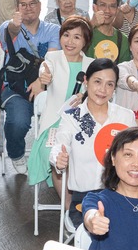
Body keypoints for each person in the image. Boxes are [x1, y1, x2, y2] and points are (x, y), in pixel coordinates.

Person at [50, 57, 126, 229]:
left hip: (121, 195)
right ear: (86, 81)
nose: (103, 89)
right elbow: (59, 146)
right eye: (97, 81)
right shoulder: (71, 117)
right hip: (84, 199)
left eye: (109, 84)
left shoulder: (125, 117)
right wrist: (58, 159)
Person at [25, 16, 91, 185]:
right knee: (56, 156)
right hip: (54, 125)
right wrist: (43, 77)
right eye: (66, 35)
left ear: (85, 41)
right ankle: (68, 210)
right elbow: (46, 69)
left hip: (82, 125)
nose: (70, 41)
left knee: (87, 157)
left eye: (77, 37)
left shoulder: (92, 65)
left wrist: (87, 96)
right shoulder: (52, 58)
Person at [0, 0, 58, 168]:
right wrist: (15, 25)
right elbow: (11, 31)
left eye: (32, 3)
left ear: (40, 5)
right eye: (23, 5)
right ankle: (16, 154)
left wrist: (40, 81)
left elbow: (53, 59)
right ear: (17, 8)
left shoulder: (54, 30)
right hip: (16, 88)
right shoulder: (7, 27)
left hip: (49, 86)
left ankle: (53, 154)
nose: (28, 8)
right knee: (18, 121)